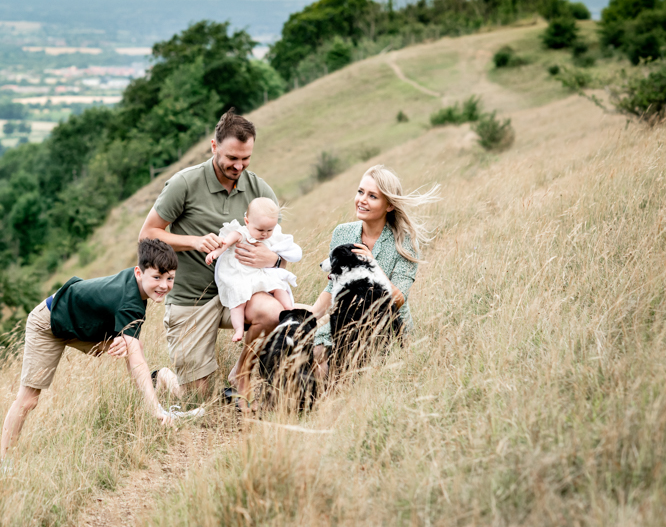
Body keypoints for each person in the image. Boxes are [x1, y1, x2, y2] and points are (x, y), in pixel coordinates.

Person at [138, 109, 285, 399]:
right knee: (197, 397)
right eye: (232, 158)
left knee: (275, 313)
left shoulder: (259, 190)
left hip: (242, 292)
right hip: (192, 298)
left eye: (246, 159)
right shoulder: (184, 183)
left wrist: (274, 259)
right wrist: (194, 242)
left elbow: (277, 245)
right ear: (214, 146)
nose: (239, 166)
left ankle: (240, 373)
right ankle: (165, 377)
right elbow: (147, 234)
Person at [0, 239, 179, 463]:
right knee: (28, 401)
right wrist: (154, 410)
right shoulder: (129, 301)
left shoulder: (137, 289)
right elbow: (136, 359)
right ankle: (5, 464)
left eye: (169, 278)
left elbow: (134, 353)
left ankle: (156, 382)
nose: (164, 285)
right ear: (139, 272)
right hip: (49, 323)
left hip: (80, 323)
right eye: (157, 277)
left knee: (133, 346)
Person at [310, 165, 440, 369]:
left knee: (351, 368)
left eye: (372, 196)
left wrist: (372, 265)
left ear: (389, 205)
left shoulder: (405, 243)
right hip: (343, 321)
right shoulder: (342, 233)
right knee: (315, 356)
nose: (362, 200)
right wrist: (306, 320)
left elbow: (397, 300)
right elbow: (332, 289)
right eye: (361, 192)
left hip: (385, 327)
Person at [205, 198, 303, 342]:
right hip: (241, 276)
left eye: (270, 230)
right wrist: (216, 253)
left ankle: (289, 310)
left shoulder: (272, 235)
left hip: (260, 274)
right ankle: (238, 329)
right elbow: (226, 242)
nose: (265, 234)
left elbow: (290, 250)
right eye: (260, 230)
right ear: (247, 222)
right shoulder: (242, 233)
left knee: (279, 288)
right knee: (238, 301)